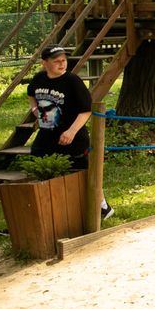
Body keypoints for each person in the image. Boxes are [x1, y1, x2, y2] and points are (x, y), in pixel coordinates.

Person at [27, 44, 113, 220]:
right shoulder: (38, 79)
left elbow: (86, 110)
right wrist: (37, 112)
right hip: (46, 137)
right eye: (56, 61)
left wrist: (71, 132)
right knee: (40, 169)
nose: (62, 64)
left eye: (64, 60)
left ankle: (102, 207)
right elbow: (31, 95)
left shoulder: (73, 81)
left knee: (83, 174)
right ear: (45, 63)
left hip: (73, 138)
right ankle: (45, 212)